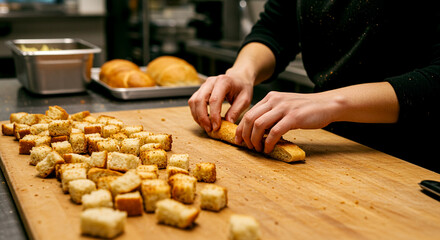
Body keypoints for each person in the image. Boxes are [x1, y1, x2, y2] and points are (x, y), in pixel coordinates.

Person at [188, 0, 440, 172]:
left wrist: (331, 103)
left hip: (411, 162)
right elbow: (276, 29)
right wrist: (242, 72)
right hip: (328, 148)